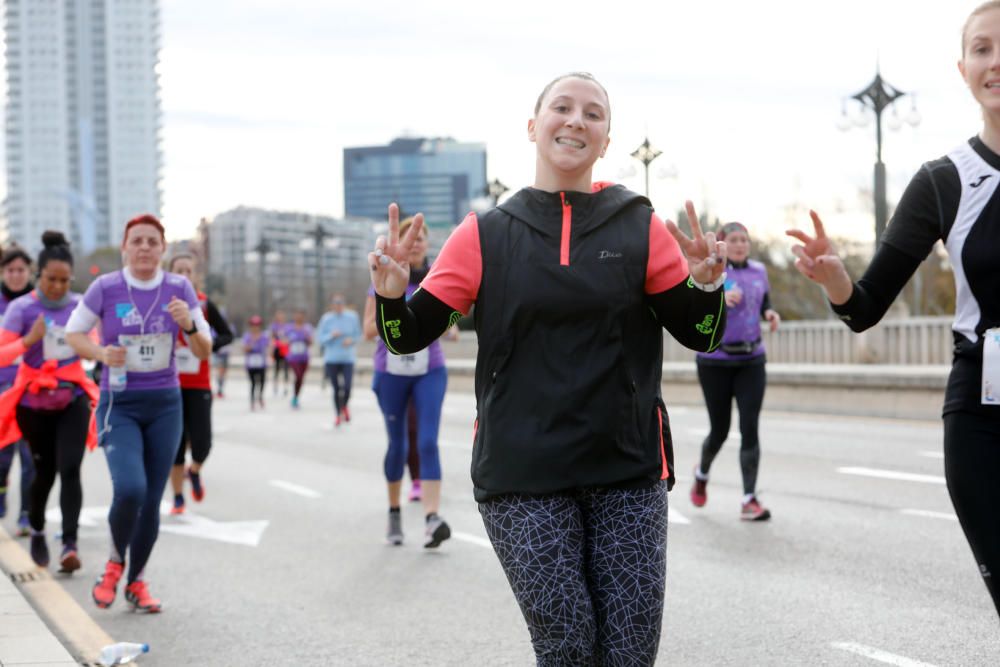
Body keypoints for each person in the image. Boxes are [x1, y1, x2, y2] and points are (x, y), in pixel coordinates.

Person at [368, 72, 727, 664]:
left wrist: (707, 287)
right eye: (562, 108)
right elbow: (406, 337)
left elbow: (700, 334)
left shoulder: (640, 226)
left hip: (627, 471)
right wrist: (390, 295)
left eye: (594, 113)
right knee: (566, 644)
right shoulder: (483, 234)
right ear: (533, 127)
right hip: (522, 476)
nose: (576, 121)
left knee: (628, 653)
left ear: (606, 140)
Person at [787, 1, 1000, 620]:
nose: (996, 61)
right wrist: (835, 280)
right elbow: (864, 309)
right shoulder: (943, 180)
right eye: (983, 49)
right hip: (983, 421)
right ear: (963, 69)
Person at [65, 214, 212, 613]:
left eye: (152, 241)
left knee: (151, 499)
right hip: (120, 403)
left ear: (163, 249)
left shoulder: (180, 288)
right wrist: (99, 353)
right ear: (125, 247)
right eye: (137, 241)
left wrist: (189, 326)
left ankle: (136, 580)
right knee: (130, 489)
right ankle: (114, 563)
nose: (145, 247)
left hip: (166, 405)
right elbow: (72, 335)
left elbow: (205, 350)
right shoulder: (105, 288)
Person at [0, 231, 99, 572]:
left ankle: (70, 544)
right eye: (49, 279)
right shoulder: (22, 308)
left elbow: (94, 347)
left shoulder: (80, 306)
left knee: (71, 469)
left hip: (71, 397)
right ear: (38, 276)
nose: (56, 286)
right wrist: (30, 339)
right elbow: (1, 356)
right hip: (33, 403)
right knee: (44, 474)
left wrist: (88, 345)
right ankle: (39, 529)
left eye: (63, 280)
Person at [364, 216, 454, 548]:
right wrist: (394, 304)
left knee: (428, 441)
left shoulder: (437, 278)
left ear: (427, 246)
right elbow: (368, 331)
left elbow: (448, 323)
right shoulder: (383, 276)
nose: (415, 244)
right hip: (391, 372)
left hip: (429, 369)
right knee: (398, 445)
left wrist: (442, 324)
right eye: (409, 239)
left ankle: (432, 519)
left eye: (420, 240)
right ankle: (394, 512)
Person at [690, 222, 780, 521]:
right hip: (714, 361)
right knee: (720, 430)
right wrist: (717, 298)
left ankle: (748, 499)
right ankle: (702, 474)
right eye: (734, 240)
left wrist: (770, 313)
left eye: (744, 240)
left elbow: (764, 301)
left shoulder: (759, 271)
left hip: (751, 359)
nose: (740, 244)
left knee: (749, 428)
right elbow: (692, 307)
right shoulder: (713, 270)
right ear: (722, 244)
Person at [166, 254, 233, 516]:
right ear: (170, 273)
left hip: (200, 383)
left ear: (196, 275)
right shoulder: (161, 303)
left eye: (188, 270)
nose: (183, 274)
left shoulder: (204, 304)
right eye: (178, 269)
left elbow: (227, 334)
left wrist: (207, 346)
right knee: (176, 444)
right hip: (169, 384)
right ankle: (178, 497)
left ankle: (194, 471)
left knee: (203, 443)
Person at [0, 245, 36, 536]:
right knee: (2, 457)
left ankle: (26, 513)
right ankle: (0, 504)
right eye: (10, 270)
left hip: (31, 388)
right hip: (1, 389)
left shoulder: (39, 303)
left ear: (30, 272)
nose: (15, 275)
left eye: (20, 270)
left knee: (30, 457)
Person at [317, 293, 360, 426]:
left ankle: (344, 406)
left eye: (340, 303)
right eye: (336, 303)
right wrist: (331, 336)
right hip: (332, 358)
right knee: (336, 388)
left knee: (347, 387)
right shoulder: (326, 319)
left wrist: (351, 340)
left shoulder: (352, 317)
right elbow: (320, 339)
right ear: (331, 305)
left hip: (348, 358)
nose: (338, 305)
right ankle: (338, 414)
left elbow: (359, 335)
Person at [285, 309, 313, 409]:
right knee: (298, 375)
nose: (299, 317)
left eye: (301, 315)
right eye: (297, 315)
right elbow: (284, 340)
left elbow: (311, 342)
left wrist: (307, 337)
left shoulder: (307, 328)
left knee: (301, 378)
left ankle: (296, 396)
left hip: (304, 357)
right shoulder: (289, 328)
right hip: (293, 357)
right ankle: (295, 396)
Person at [243, 316, 270, 410]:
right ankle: (252, 401)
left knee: (262, 381)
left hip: (261, 363)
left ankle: (260, 396)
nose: (255, 327)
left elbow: (268, 346)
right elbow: (245, 348)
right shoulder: (247, 336)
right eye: (253, 325)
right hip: (251, 363)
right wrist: (251, 345)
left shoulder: (263, 336)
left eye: (257, 325)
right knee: (253, 383)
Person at [270, 310, 290, 396]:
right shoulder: (274, 326)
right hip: (278, 349)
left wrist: (286, 341)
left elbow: (289, 337)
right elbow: (272, 338)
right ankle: (275, 385)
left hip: (285, 349)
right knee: (277, 368)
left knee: (286, 369)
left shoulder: (287, 327)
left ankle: (285, 386)